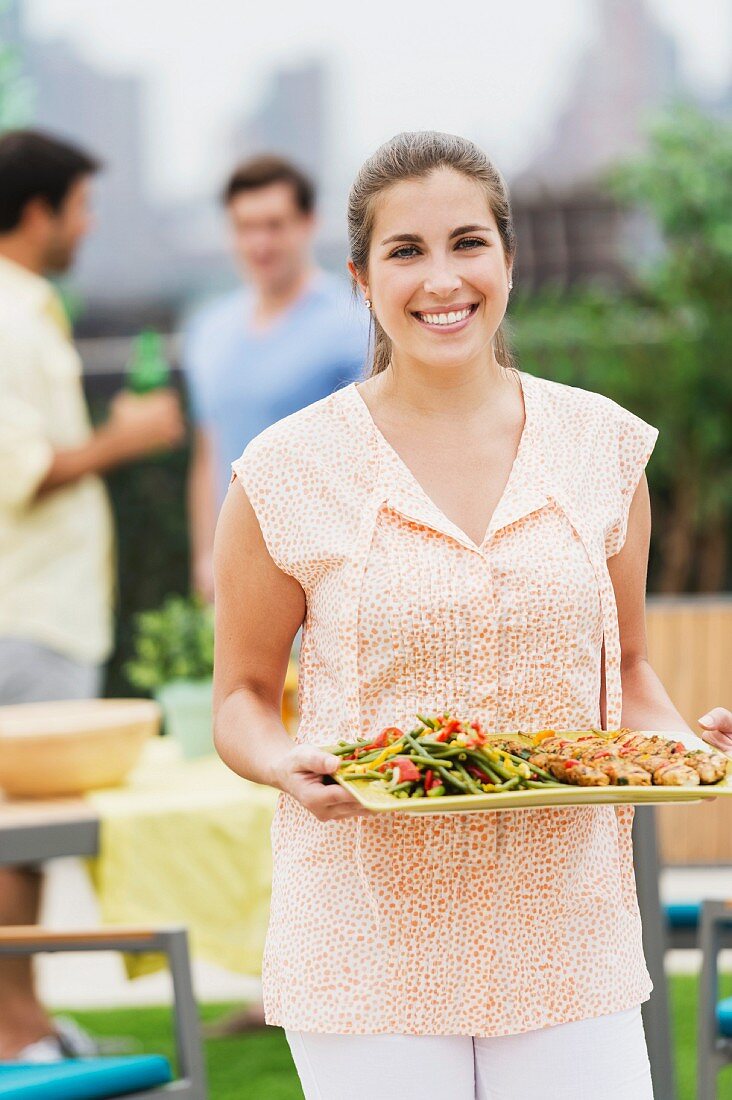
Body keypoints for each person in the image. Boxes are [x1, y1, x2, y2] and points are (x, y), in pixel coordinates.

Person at [211, 130, 730, 1100]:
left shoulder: (603, 446)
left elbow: (629, 672)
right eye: (406, 251)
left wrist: (687, 753)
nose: (441, 278)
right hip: (369, 934)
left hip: (569, 926)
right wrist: (281, 758)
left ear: (508, 258)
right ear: (362, 277)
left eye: (467, 242)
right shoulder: (284, 471)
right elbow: (240, 692)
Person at [0, 129, 184, 1061]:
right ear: (38, 212)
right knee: (18, 835)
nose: (90, 221)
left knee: (22, 837)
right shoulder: (8, 314)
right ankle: (13, 1032)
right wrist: (133, 435)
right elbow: (20, 472)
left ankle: (20, 1019)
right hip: (24, 614)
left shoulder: (29, 310)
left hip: (37, 611)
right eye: (80, 204)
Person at [183, 154, 369, 602]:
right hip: (236, 577)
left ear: (308, 222)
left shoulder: (356, 322)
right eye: (245, 227)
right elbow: (210, 450)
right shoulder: (208, 329)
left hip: (328, 578)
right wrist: (205, 558)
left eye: (273, 224)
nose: (259, 242)